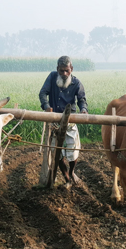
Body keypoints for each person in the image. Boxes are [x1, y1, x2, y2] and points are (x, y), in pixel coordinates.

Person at [38, 55, 87, 188]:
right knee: (57, 153)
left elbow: (82, 99)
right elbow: (43, 93)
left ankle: (71, 172)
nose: (64, 74)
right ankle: (66, 178)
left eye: (67, 70)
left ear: (71, 69)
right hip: (54, 121)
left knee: (72, 151)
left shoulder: (76, 83)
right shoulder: (52, 77)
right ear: (57, 69)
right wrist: (47, 107)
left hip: (70, 121)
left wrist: (83, 110)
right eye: (61, 71)